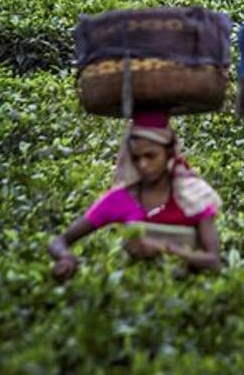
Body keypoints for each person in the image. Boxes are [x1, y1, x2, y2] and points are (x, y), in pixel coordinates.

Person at [49, 112, 222, 282]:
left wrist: (166, 249)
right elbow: (59, 241)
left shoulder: (193, 197)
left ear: (169, 153)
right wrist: (66, 258)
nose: (143, 165)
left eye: (151, 156)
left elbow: (213, 261)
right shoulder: (121, 198)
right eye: (136, 158)